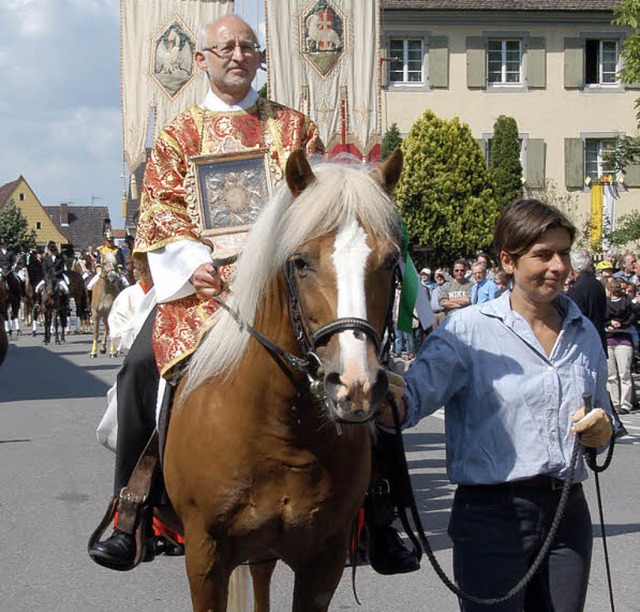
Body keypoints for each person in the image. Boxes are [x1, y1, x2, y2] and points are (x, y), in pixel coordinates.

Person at [89, 15, 324, 571]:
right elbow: (161, 210)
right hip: (203, 290)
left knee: (362, 364)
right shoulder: (177, 137)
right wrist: (193, 264)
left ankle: (382, 507)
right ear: (202, 60)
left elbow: (320, 202)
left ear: (261, 58)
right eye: (224, 48)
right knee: (140, 368)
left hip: (282, 288)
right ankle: (131, 509)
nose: (236, 56)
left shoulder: (295, 130)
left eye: (247, 47)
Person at [379, 199, 614, 611]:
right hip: (493, 515)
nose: (557, 266)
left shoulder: (584, 333)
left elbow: (602, 415)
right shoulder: (466, 330)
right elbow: (409, 404)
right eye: (543, 255)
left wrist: (603, 430)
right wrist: (376, 396)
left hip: (566, 514)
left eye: (562, 253)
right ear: (508, 261)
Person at [605, 278, 636, 415]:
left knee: (624, 373)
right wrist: (608, 323)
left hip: (624, 339)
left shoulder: (627, 302)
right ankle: (614, 402)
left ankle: (626, 403)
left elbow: (632, 317)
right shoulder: (605, 303)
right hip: (609, 339)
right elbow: (601, 317)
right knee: (611, 375)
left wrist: (621, 324)